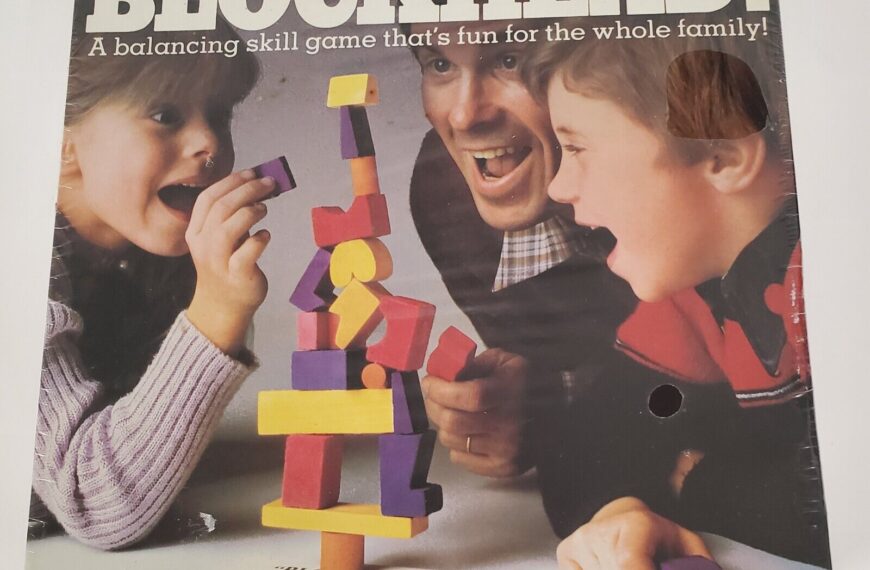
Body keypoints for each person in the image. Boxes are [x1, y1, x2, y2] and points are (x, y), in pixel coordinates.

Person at [525, 14, 830, 568]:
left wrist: (699, 484)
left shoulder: (835, 281)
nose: (558, 186)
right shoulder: (691, 295)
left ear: (723, 157)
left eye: (577, 149)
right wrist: (619, 513)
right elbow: (587, 439)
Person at [407, 19, 716, 541]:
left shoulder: (689, 195)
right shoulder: (446, 188)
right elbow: (611, 389)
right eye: (440, 64)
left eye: (508, 59)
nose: (464, 115)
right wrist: (531, 411)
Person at [29, 9, 274, 550]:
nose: (209, 141)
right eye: (164, 114)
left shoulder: (165, 257)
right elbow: (93, 505)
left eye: (220, 113)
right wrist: (215, 313)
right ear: (62, 143)